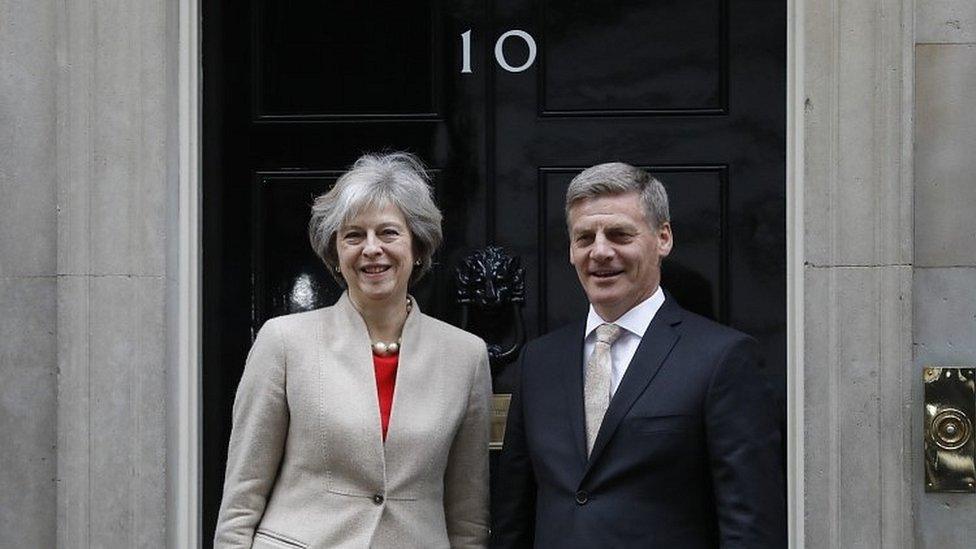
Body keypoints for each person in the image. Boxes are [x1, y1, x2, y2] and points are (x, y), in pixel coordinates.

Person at [491, 162, 786, 547]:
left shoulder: (723, 359)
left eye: (619, 235)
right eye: (584, 238)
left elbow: (752, 526)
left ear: (663, 238)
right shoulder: (538, 362)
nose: (599, 251)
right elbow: (514, 517)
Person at [214, 152, 491, 548]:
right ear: (336, 253)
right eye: (354, 235)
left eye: (389, 233)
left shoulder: (466, 355)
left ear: (417, 246)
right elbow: (243, 497)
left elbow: (468, 516)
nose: (371, 249)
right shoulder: (284, 342)